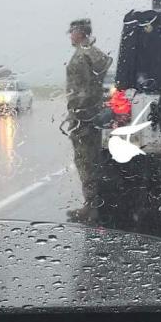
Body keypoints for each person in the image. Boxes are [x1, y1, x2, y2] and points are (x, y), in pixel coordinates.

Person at [65, 18, 112, 224]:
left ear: (80, 32)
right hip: (94, 113)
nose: (70, 35)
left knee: (85, 160)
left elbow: (82, 90)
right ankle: (96, 204)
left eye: (72, 32)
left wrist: (76, 112)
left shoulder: (81, 57)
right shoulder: (95, 52)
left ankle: (92, 207)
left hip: (83, 115)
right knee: (93, 159)